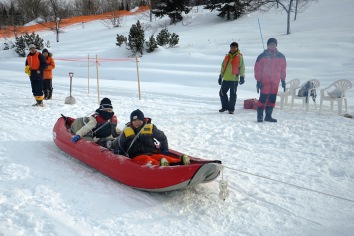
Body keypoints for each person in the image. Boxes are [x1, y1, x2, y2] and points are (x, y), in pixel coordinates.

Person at [111, 109, 190, 166]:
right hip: (136, 156)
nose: (137, 123)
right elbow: (121, 144)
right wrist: (119, 151)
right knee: (146, 159)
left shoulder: (150, 128)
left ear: (143, 120)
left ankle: (179, 162)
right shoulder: (127, 131)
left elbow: (162, 138)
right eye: (134, 121)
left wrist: (164, 149)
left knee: (160, 157)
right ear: (131, 122)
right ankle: (160, 165)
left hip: (151, 153)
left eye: (139, 120)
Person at [254, 38, 286, 123]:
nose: (272, 45)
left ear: (276, 45)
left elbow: (283, 69)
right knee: (262, 100)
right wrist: (258, 81)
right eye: (270, 44)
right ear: (268, 45)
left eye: (274, 44)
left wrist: (283, 80)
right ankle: (260, 117)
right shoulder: (262, 56)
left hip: (275, 83)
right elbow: (257, 69)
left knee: (272, 100)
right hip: (265, 82)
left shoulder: (281, 56)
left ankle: (268, 116)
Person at [218, 42, 245, 114]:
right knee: (222, 93)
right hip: (226, 78)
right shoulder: (227, 56)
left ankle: (231, 109)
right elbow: (223, 66)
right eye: (231, 47)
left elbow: (242, 67)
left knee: (232, 95)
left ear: (237, 48)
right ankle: (225, 107)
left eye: (234, 47)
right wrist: (220, 76)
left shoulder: (240, 56)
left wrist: (242, 76)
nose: (233, 49)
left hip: (234, 79)